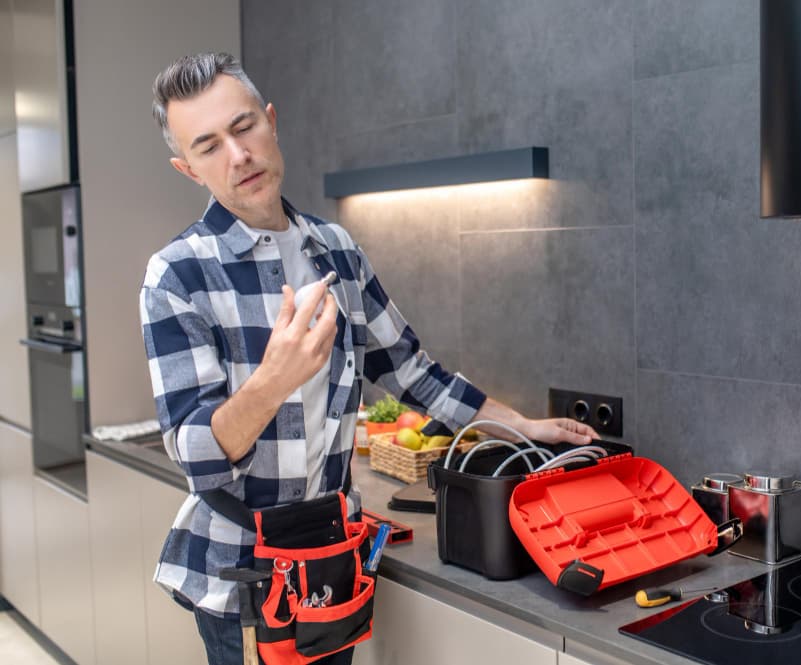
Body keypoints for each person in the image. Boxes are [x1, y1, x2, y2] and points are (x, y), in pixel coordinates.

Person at [140, 52, 597, 665]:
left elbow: (413, 370)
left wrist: (523, 426)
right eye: (209, 146)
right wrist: (273, 382)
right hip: (241, 572)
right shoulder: (176, 275)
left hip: (333, 554)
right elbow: (196, 455)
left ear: (271, 122)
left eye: (244, 127)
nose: (238, 155)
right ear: (188, 169)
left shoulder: (337, 251)